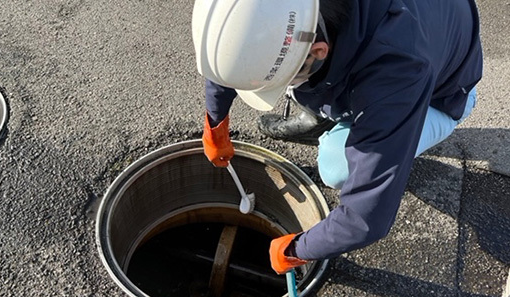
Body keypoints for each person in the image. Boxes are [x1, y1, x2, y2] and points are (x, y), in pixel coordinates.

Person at [192, 0, 483, 275]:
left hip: (443, 93)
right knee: (300, 77)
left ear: (319, 50)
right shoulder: (295, 15)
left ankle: (337, 117)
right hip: (417, 35)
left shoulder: (397, 73)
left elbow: (366, 218)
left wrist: (296, 249)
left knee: (334, 167)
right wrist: (215, 121)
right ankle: (324, 106)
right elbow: (234, 40)